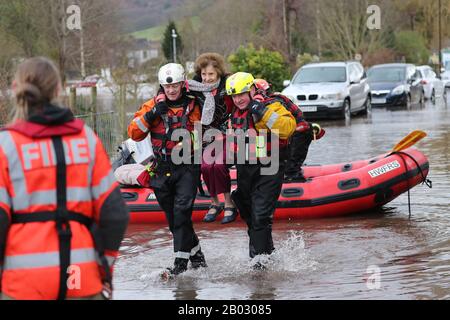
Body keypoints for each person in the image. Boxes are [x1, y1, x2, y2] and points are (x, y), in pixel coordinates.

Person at [0, 57, 129, 300]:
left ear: (16, 89)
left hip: (23, 283)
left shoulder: (6, 146)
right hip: (80, 277)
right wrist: (103, 266)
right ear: (58, 90)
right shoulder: (86, 139)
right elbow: (115, 214)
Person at [128, 63, 207, 277]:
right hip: (161, 169)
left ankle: (179, 267)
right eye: (166, 87)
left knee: (182, 211)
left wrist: (189, 142)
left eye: (175, 86)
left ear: (182, 84)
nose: (171, 91)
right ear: (162, 86)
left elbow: (203, 134)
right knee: (175, 221)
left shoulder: (194, 106)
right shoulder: (152, 105)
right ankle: (198, 258)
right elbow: (134, 134)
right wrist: (152, 114)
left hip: (187, 166)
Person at [225, 72, 296, 268]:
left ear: (253, 90)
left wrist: (263, 112)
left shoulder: (270, 105)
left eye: (242, 94)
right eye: (234, 96)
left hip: (270, 165)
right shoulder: (233, 111)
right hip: (245, 167)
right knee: (249, 213)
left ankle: (259, 265)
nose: (238, 99)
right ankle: (268, 255)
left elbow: (288, 127)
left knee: (260, 215)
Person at [188, 52, 237, 224]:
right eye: (203, 74)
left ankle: (229, 203)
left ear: (218, 73)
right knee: (206, 167)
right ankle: (214, 203)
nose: (207, 78)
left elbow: (240, 103)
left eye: (210, 74)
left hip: (226, 133)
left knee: (219, 165)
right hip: (207, 134)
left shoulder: (228, 85)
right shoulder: (194, 88)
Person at [253, 79, 325, 181]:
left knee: (288, 158)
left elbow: (279, 125)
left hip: (294, 132)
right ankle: (288, 170)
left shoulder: (272, 103)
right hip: (298, 130)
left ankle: (291, 174)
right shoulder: (277, 99)